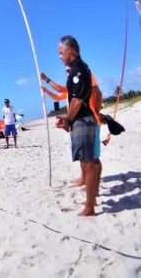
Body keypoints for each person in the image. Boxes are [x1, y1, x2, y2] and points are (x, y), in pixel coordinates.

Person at [54, 35, 99, 216]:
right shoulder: (76, 69)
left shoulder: (78, 69)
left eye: (60, 52)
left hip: (84, 121)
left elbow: (78, 101)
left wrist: (68, 120)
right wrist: (67, 118)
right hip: (81, 120)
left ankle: (89, 208)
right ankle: (91, 199)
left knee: (89, 163)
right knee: (88, 161)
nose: (59, 56)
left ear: (70, 50)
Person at [41, 69, 103, 188]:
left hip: (90, 123)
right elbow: (58, 96)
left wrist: (46, 79)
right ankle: (84, 178)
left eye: (70, 71)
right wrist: (46, 90)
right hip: (77, 123)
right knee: (82, 156)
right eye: (66, 72)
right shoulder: (72, 89)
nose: (68, 73)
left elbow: (60, 89)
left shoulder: (84, 85)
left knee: (94, 157)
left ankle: (95, 183)